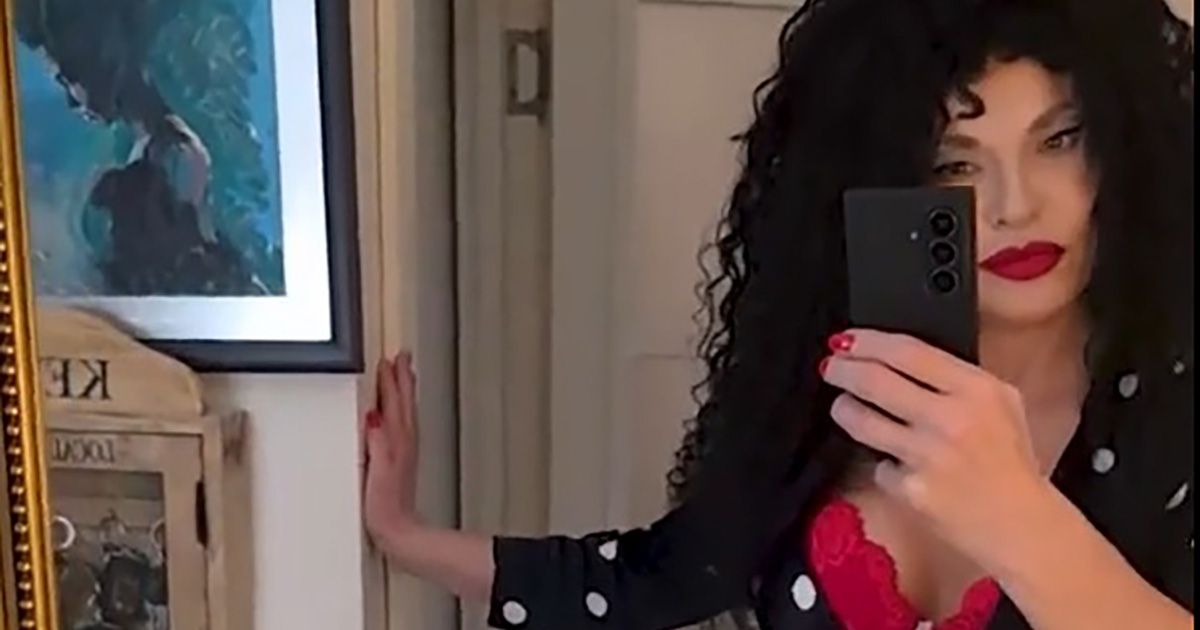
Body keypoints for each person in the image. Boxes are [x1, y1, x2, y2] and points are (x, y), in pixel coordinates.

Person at [361, 1, 1195, 628]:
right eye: (955, 164)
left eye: (1059, 140)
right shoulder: (837, 393)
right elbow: (645, 581)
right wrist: (404, 536)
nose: (1016, 205)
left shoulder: (1173, 410)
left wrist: (1014, 513)